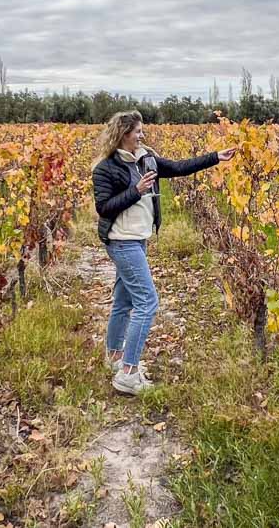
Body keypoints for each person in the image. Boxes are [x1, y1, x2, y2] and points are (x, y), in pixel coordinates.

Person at [91, 110, 236, 395]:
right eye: (137, 132)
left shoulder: (146, 159)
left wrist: (215, 157)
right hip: (122, 241)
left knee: (123, 300)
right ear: (123, 134)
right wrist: (136, 190)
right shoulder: (105, 168)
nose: (142, 135)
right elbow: (104, 208)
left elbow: (179, 167)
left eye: (142, 131)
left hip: (138, 239)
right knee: (147, 302)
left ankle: (115, 356)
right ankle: (129, 374)